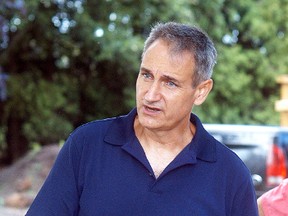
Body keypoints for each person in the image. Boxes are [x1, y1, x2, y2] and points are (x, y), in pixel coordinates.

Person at [26, 22, 258, 215]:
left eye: (170, 83)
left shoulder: (231, 175)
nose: (150, 94)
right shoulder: (86, 145)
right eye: (146, 75)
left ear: (201, 91)